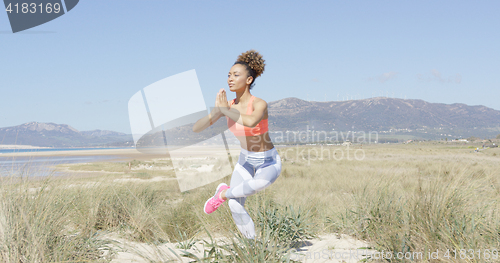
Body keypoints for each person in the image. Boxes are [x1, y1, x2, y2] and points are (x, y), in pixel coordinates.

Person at [192, 50, 281, 239]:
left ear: (249, 80)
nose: (230, 79)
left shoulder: (259, 104)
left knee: (258, 184)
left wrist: (225, 111)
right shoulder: (228, 106)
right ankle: (253, 245)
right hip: (245, 160)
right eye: (229, 75)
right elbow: (197, 128)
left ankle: (222, 194)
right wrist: (217, 112)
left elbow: (250, 122)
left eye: (236, 75)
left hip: (268, 161)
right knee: (235, 205)